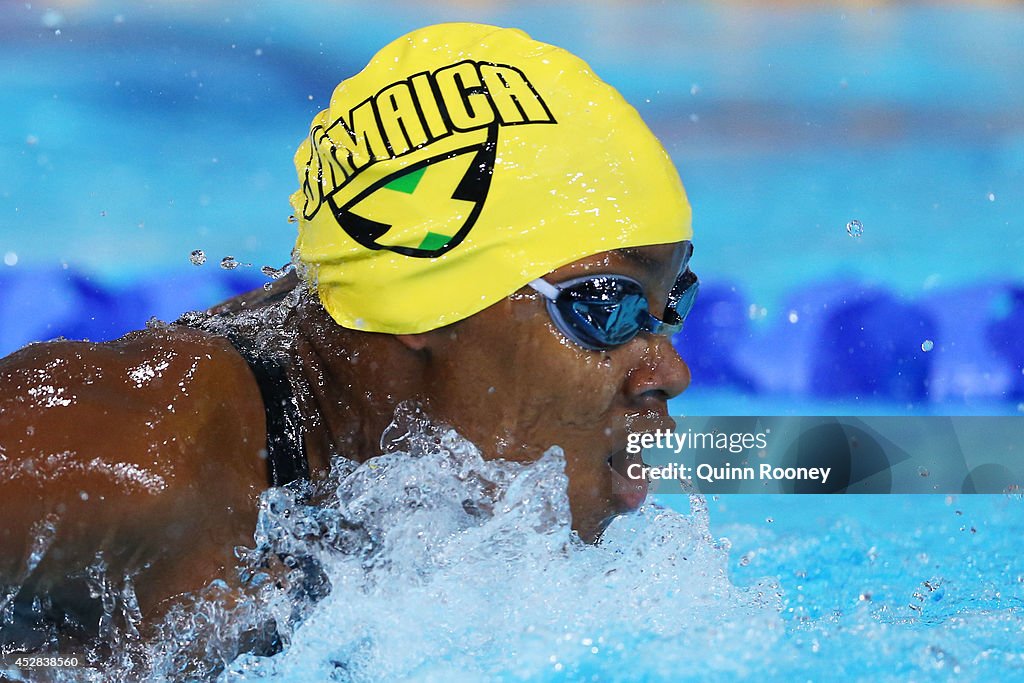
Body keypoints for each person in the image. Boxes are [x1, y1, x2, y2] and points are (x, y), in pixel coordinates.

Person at [0, 22, 697, 642]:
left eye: (671, 306)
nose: (668, 370)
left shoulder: (380, 492)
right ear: (427, 300)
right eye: (606, 306)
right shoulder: (136, 464)